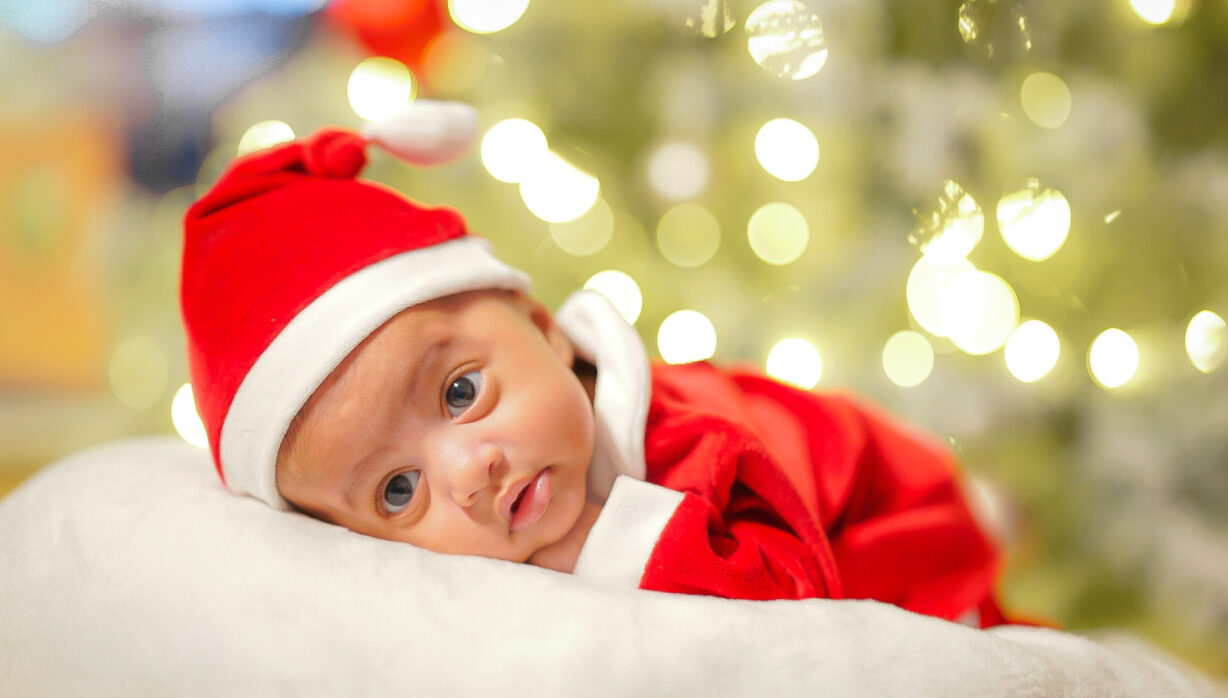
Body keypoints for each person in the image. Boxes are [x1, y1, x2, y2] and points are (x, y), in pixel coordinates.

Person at [181, 102, 1019, 628]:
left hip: (892, 519)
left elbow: (794, 599)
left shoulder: (698, 443)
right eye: (398, 490)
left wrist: (598, 542)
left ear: (547, 332)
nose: (469, 474)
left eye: (461, 392)